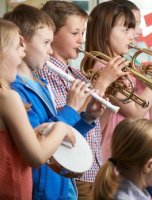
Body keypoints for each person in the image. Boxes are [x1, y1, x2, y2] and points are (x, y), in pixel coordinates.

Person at [4, 4, 104, 200]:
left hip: (60, 189)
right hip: (41, 191)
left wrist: (86, 119)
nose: (50, 51)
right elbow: (41, 146)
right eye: (46, 43)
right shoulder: (16, 91)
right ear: (23, 43)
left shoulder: (39, 84)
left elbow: (61, 140)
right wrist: (70, 109)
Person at [37, 1, 128, 199]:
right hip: (73, 173)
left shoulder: (77, 75)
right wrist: (102, 83)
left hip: (95, 168)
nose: (81, 40)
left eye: (83, 33)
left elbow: (94, 129)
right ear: (51, 34)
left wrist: (93, 114)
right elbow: (58, 125)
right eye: (75, 33)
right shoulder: (44, 74)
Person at [83, 1, 152, 162]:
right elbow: (135, 112)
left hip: (132, 148)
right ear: (105, 32)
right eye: (125, 30)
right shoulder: (103, 66)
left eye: (132, 29)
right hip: (116, 155)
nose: (132, 35)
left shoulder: (123, 65)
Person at [0, 18, 75, 200]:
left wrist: (36, 131)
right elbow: (36, 156)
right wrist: (62, 126)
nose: (23, 52)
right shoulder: (7, 97)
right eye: (18, 46)